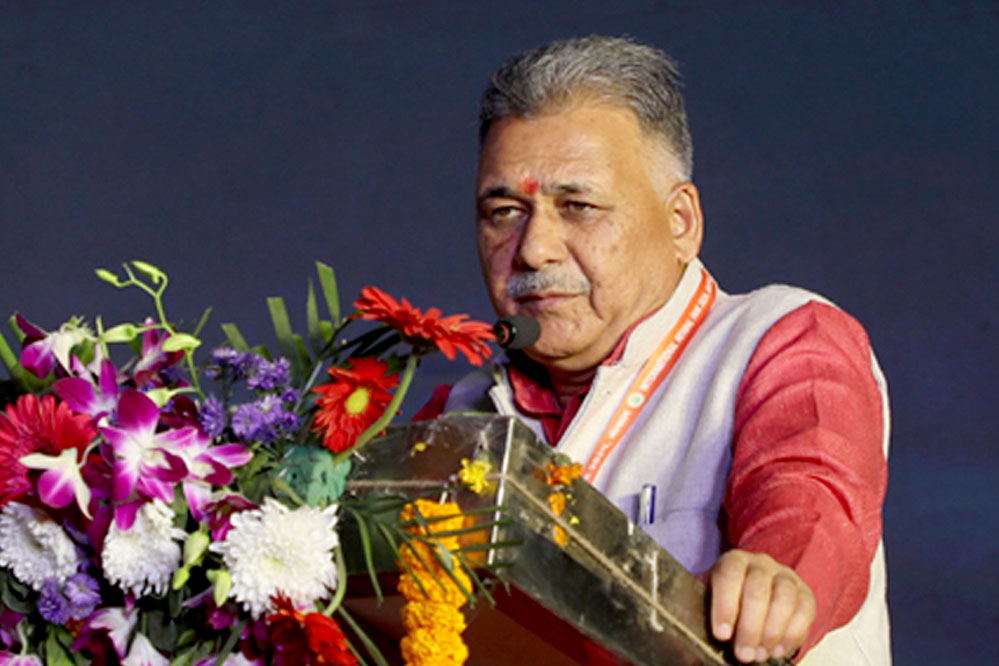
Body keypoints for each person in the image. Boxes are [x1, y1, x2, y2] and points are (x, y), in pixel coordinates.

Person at [418, 36, 889, 665]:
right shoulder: (458, 417)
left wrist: (774, 577)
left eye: (577, 206)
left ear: (680, 222)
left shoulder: (782, 340)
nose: (533, 249)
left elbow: (810, 498)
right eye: (505, 212)